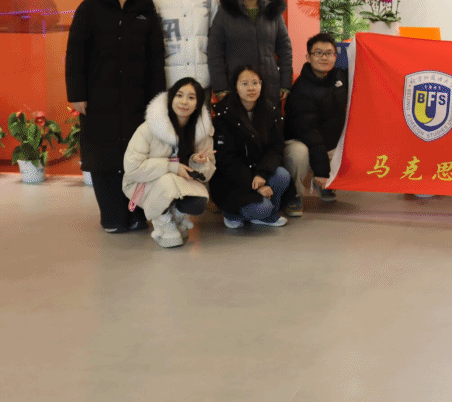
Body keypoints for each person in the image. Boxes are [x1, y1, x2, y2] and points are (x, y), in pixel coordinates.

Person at [66, 0, 166, 233]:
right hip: (100, 96)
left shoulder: (146, 7)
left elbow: (156, 56)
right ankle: (111, 215)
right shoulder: (90, 7)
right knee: (104, 157)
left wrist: (158, 100)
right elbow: (76, 53)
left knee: (136, 156)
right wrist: (77, 94)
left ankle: (135, 212)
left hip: (137, 97)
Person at [121, 78, 215, 248]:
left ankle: (176, 214)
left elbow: (206, 176)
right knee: (167, 181)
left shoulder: (202, 131)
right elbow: (132, 168)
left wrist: (197, 163)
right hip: (142, 183)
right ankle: (162, 219)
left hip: (177, 183)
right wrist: (172, 167)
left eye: (191, 97)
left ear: (198, 104)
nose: (184, 102)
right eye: (179, 95)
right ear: (171, 98)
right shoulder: (149, 127)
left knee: (199, 201)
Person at [210, 66, 293, 228]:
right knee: (263, 208)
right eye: (245, 83)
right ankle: (232, 213)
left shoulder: (270, 111)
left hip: (257, 172)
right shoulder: (223, 115)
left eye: (255, 83)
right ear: (235, 87)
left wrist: (262, 174)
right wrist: (254, 186)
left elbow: (275, 148)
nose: (251, 88)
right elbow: (227, 161)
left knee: (282, 175)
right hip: (232, 180)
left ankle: (263, 215)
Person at [208, 0, 293, 106]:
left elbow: (285, 49)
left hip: (268, 85)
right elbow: (215, 51)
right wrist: (220, 87)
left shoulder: (273, 11)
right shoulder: (225, 12)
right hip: (235, 85)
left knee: (268, 120)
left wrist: (285, 82)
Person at [283, 33, 349, 213]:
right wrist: (322, 170)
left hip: (329, 142)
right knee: (298, 154)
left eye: (329, 53)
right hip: (303, 141)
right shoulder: (300, 91)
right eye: (318, 53)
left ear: (335, 56)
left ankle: (325, 183)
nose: (324, 57)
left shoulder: (341, 78)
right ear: (308, 57)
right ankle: (294, 194)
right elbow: (309, 134)